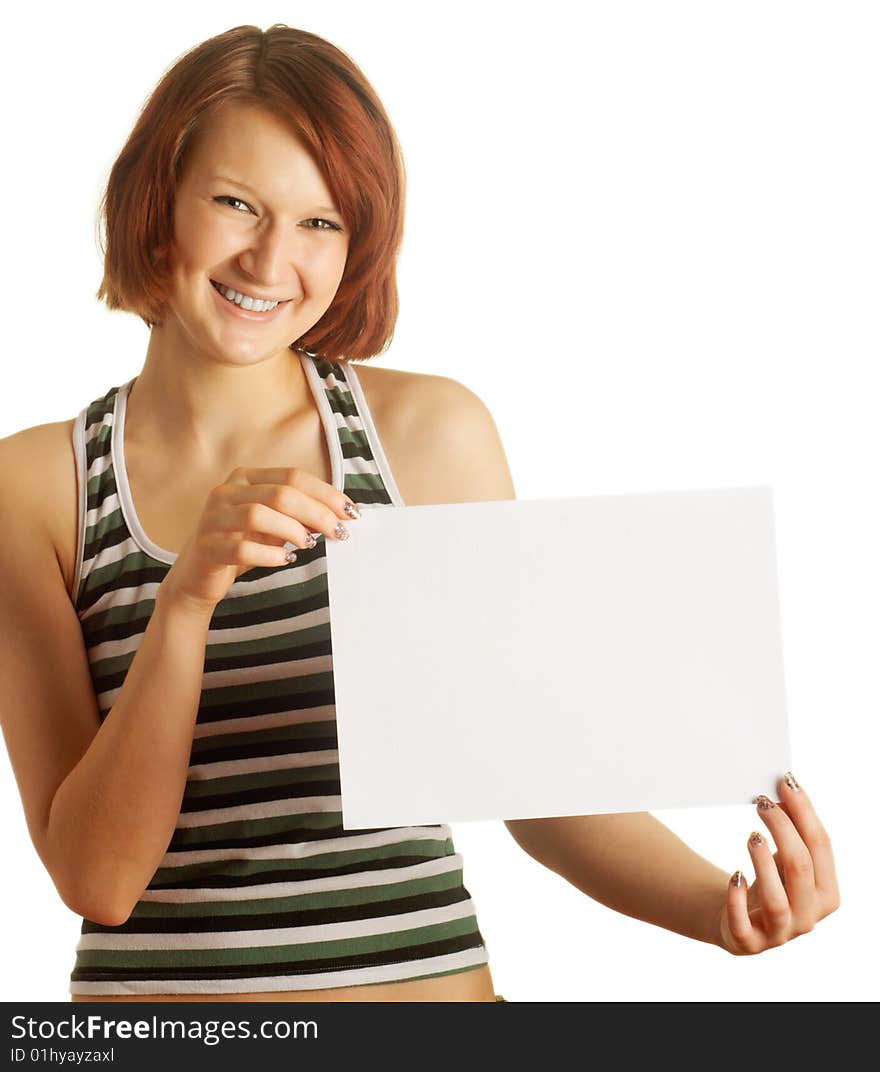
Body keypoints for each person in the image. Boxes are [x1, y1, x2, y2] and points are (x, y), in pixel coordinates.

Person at [0, 23, 839, 1004]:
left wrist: (717, 909)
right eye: (236, 203)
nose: (272, 258)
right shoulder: (36, 486)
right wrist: (184, 602)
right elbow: (98, 880)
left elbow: (533, 786)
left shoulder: (427, 436)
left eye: (322, 223)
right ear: (157, 204)